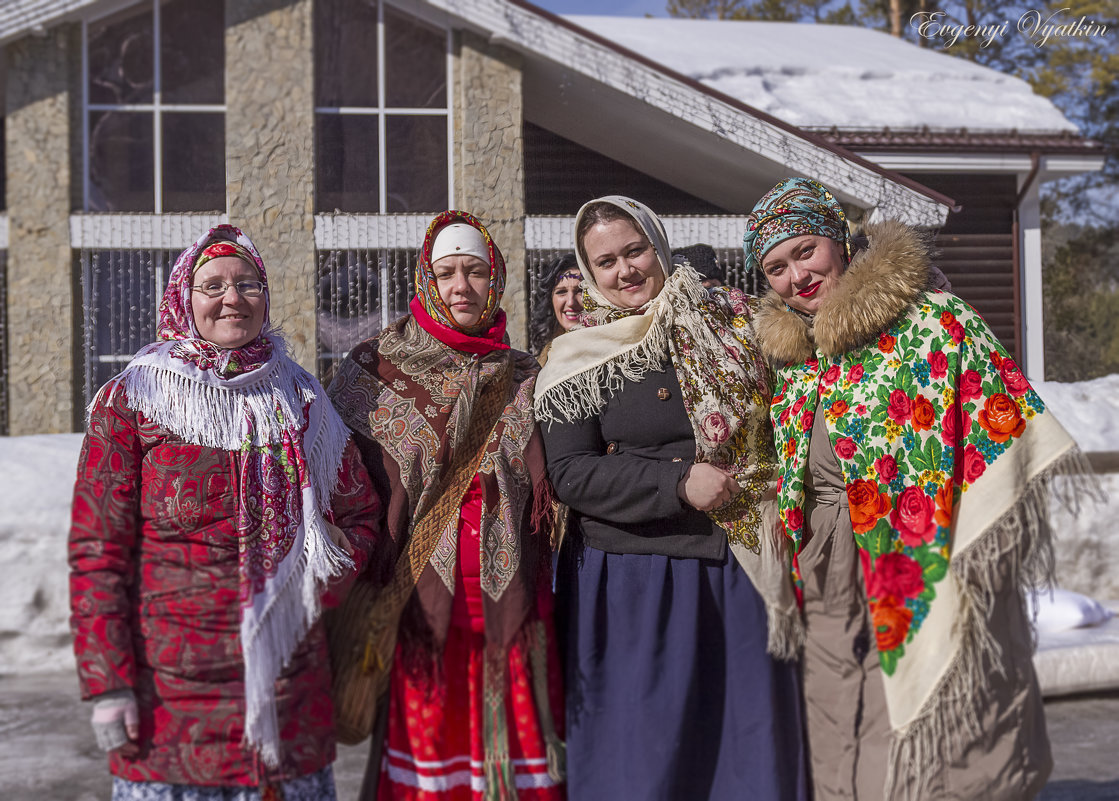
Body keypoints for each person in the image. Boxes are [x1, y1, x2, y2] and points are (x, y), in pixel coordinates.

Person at [746, 177, 1083, 800]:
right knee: (843, 726)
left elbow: (1004, 429)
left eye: (805, 251)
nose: (797, 276)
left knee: (953, 745)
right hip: (831, 583)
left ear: (839, 242)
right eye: (775, 267)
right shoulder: (792, 360)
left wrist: (975, 557)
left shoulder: (932, 321)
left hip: (937, 562)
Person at [69, 225, 382, 799]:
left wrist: (313, 583)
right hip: (168, 708)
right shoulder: (134, 398)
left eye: (247, 284)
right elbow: (98, 551)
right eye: (212, 286)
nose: (232, 299)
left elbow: (361, 519)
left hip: (287, 701)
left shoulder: (304, 401)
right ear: (183, 299)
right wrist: (108, 684)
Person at [533, 195, 807, 801]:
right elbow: (571, 474)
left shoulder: (735, 320)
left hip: (742, 561)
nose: (625, 271)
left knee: (744, 743)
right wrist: (677, 484)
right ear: (589, 270)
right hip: (636, 575)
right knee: (646, 756)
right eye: (605, 262)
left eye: (635, 251)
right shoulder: (577, 358)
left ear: (659, 245)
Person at [328, 211, 564, 801]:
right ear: (425, 282)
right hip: (418, 613)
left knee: (511, 766)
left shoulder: (526, 374)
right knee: (431, 769)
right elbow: (337, 483)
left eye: (476, 272)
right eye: (447, 273)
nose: (462, 287)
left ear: (497, 280)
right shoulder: (372, 371)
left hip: (510, 611)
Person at [529, 253, 583, 363]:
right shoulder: (545, 358)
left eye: (580, 291)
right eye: (561, 292)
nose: (571, 302)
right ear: (550, 300)